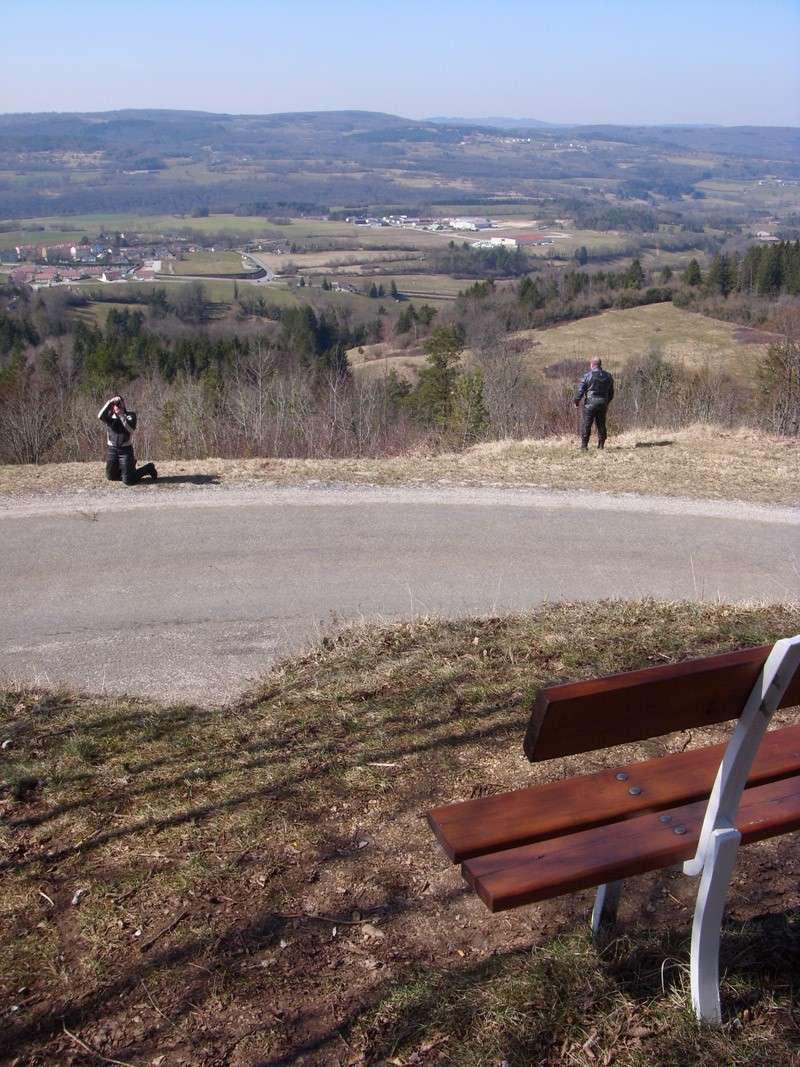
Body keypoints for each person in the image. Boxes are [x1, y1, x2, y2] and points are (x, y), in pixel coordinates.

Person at [98, 395, 158, 485]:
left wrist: (121, 415)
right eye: (115, 404)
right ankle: (129, 468)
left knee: (128, 481)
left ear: (124, 404)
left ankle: (148, 468)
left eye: (119, 403)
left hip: (125, 450)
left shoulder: (130, 415)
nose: (117, 405)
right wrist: (109, 402)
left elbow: (131, 430)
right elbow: (99, 416)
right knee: (111, 477)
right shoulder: (109, 416)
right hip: (112, 449)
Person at [574, 358, 614, 450]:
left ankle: (584, 446)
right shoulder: (608, 376)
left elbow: (580, 391)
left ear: (592, 364)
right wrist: (606, 402)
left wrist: (576, 401)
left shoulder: (587, 376)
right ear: (600, 364)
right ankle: (601, 445)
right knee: (601, 424)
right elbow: (611, 393)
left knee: (587, 424)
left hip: (590, 404)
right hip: (603, 403)